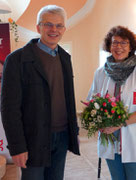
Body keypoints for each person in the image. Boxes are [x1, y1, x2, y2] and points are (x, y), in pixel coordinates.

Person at [1, 5, 80, 180]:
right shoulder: (16, 60)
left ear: (64, 29)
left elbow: (68, 97)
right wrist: (17, 147)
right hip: (33, 138)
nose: (54, 30)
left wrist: (73, 132)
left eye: (59, 25)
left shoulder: (65, 58)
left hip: (62, 136)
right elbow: (9, 109)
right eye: (48, 24)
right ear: (38, 28)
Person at [87, 25, 136, 180]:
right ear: (109, 46)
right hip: (110, 139)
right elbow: (92, 102)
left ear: (131, 47)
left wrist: (120, 123)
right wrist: (98, 122)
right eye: (114, 43)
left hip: (134, 139)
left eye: (123, 43)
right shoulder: (100, 73)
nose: (118, 47)